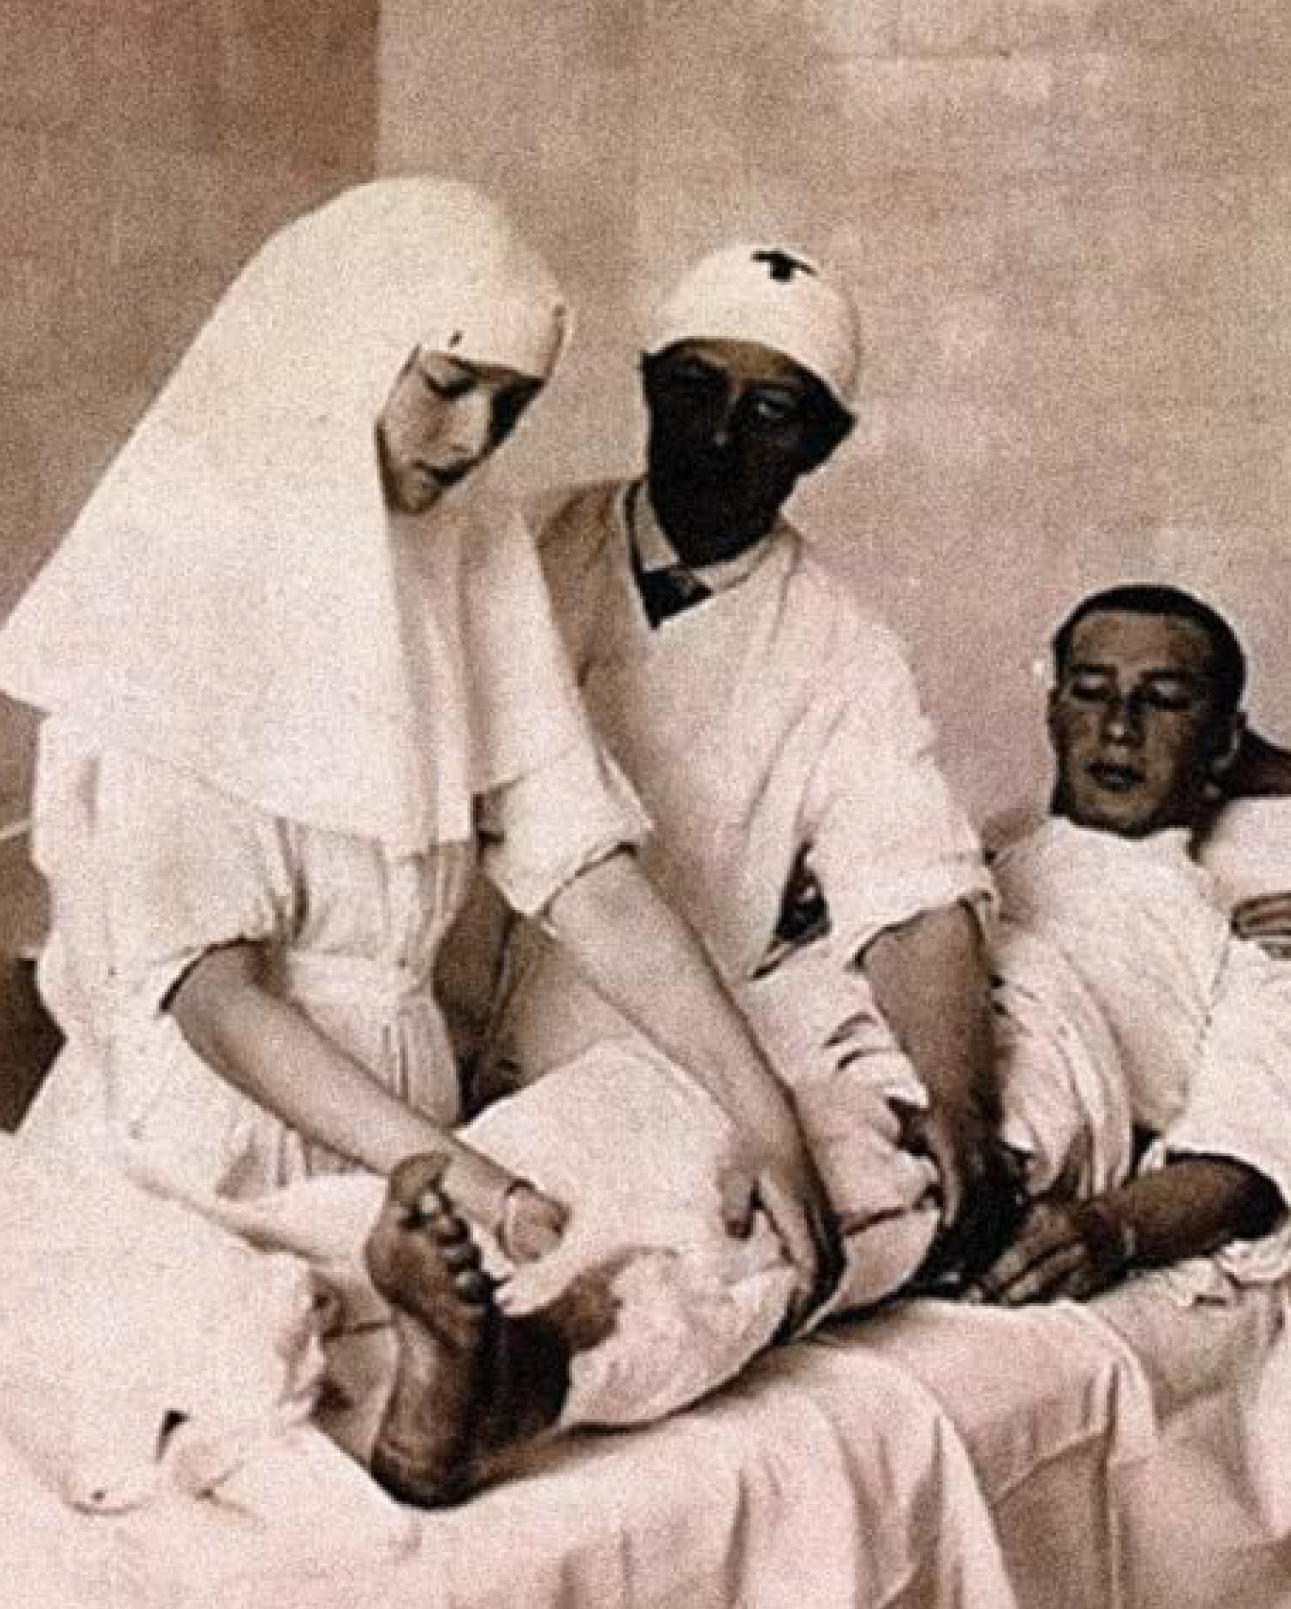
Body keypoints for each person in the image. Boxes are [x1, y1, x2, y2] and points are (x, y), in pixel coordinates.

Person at [0, 181, 837, 1495]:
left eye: (511, 405)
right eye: (448, 385)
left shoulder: (458, 551)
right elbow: (214, 999)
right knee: (228, 1407)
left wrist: (762, 1114)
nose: (473, 438)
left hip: (412, 1149)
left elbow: (584, 869)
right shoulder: (186, 571)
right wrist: (463, 1178)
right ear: (342, 350)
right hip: (206, 1138)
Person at [474, 239, 1000, 1256]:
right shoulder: (513, 553)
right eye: (693, 390)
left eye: (770, 412)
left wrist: (959, 1105)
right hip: (407, 1064)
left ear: (823, 444)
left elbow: (913, 894)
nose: (718, 435)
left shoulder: (843, 651)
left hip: (611, 1105)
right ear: (646, 387)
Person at [972, 583, 1291, 1306]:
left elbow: (1250, 1151)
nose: (1119, 728)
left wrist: (1110, 1228)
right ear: (1053, 710)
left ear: (1226, 741)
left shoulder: (1253, 935)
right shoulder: (965, 866)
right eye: (1091, 692)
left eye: (1162, 701)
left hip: (1004, 1134)